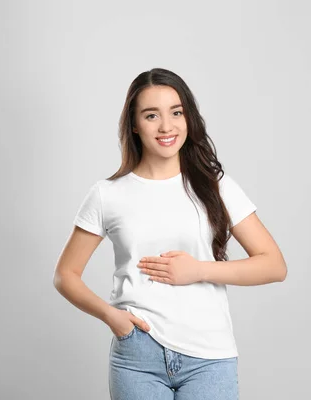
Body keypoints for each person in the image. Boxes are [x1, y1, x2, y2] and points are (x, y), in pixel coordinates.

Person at [53, 67, 287, 400]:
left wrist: (199, 270)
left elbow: (274, 265)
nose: (166, 126)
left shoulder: (215, 187)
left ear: (188, 117)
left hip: (209, 356)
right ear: (134, 125)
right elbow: (65, 275)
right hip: (137, 356)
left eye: (176, 112)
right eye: (151, 115)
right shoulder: (108, 194)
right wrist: (111, 316)